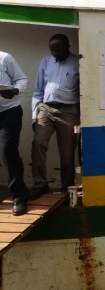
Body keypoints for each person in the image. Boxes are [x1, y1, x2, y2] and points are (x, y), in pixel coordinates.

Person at [31, 34, 80, 203]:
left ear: (67, 47)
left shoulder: (77, 62)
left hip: (68, 111)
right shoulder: (46, 61)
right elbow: (38, 90)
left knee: (67, 154)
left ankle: (65, 189)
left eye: (58, 50)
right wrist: (34, 114)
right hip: (46, 108)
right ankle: (40, 184)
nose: (55, 53)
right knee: (38, 143)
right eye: (52, 50)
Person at [0, 49, 30, 215]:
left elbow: (22, 79)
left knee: (8, 150)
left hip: (9, 111)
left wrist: (15, 91)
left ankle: (19, 195)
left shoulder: (4, 58)